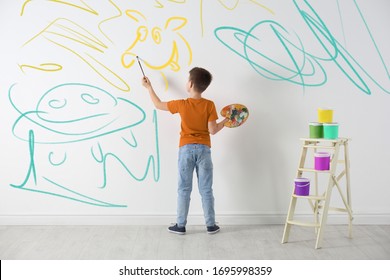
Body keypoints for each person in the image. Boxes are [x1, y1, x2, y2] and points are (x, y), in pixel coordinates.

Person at [142, 67, 228, 234]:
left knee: (184, 189)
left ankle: (180, 225)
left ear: (190, 83)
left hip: (186, 149)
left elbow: (158, 104)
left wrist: (149, 87)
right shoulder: (209, 105)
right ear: (203, 87)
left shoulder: (182, 104)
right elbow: (213, 130)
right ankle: (211, 225)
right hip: (204, 150)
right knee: (206, 189)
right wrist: (226, 120)